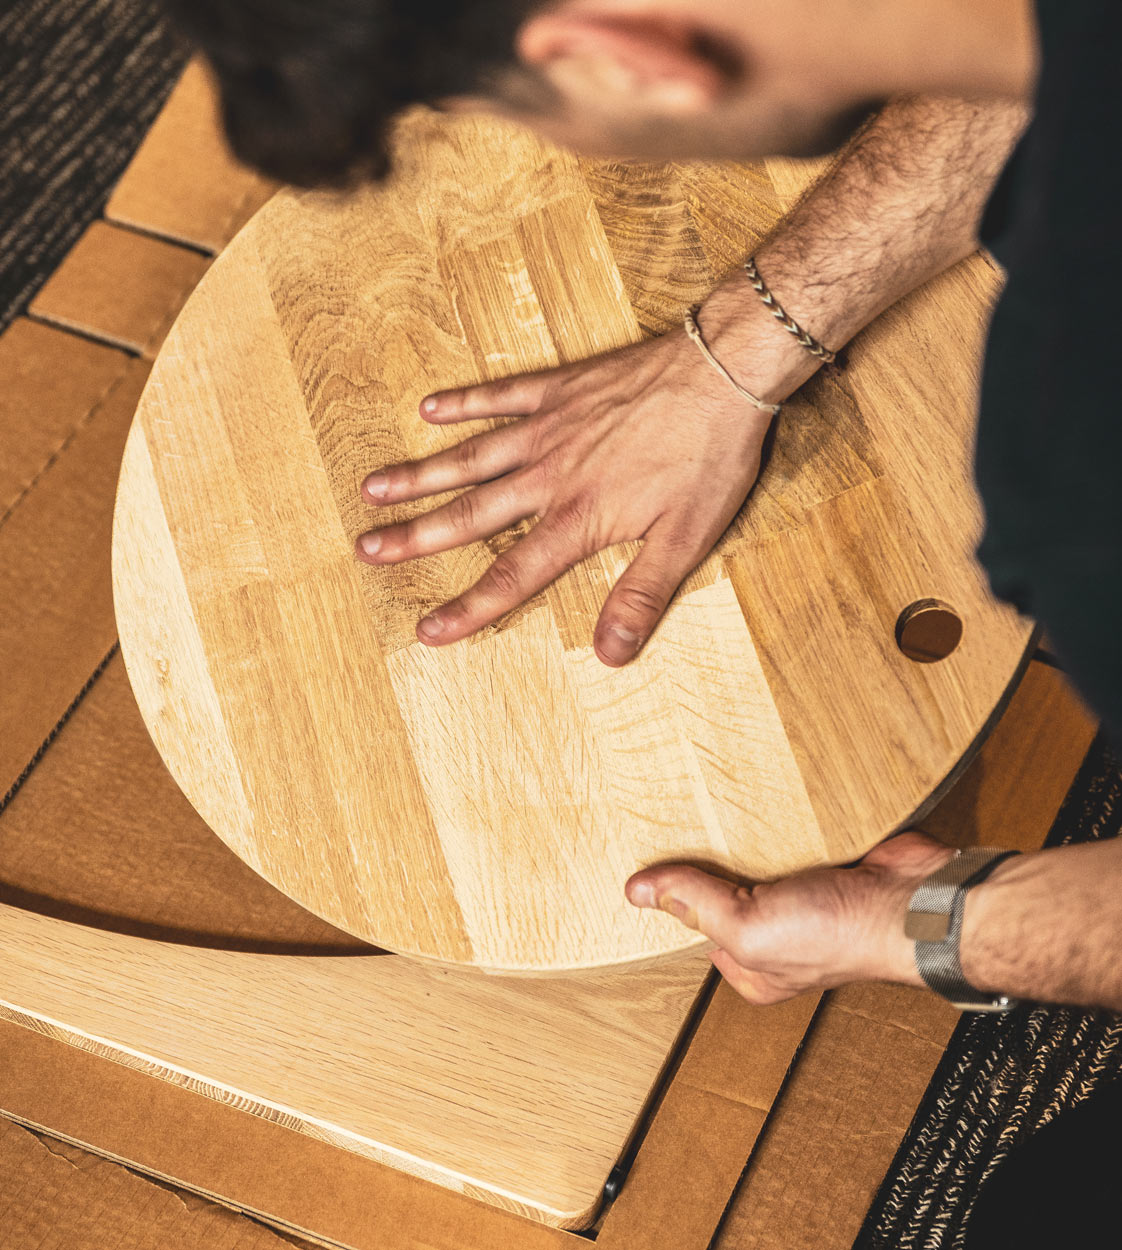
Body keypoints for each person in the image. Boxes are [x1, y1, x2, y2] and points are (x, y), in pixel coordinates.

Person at [162, 0, 1121, 1152]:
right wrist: (737, 350)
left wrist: (922, 923)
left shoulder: (1075, 465)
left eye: (537, 118)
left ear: (612, 59)